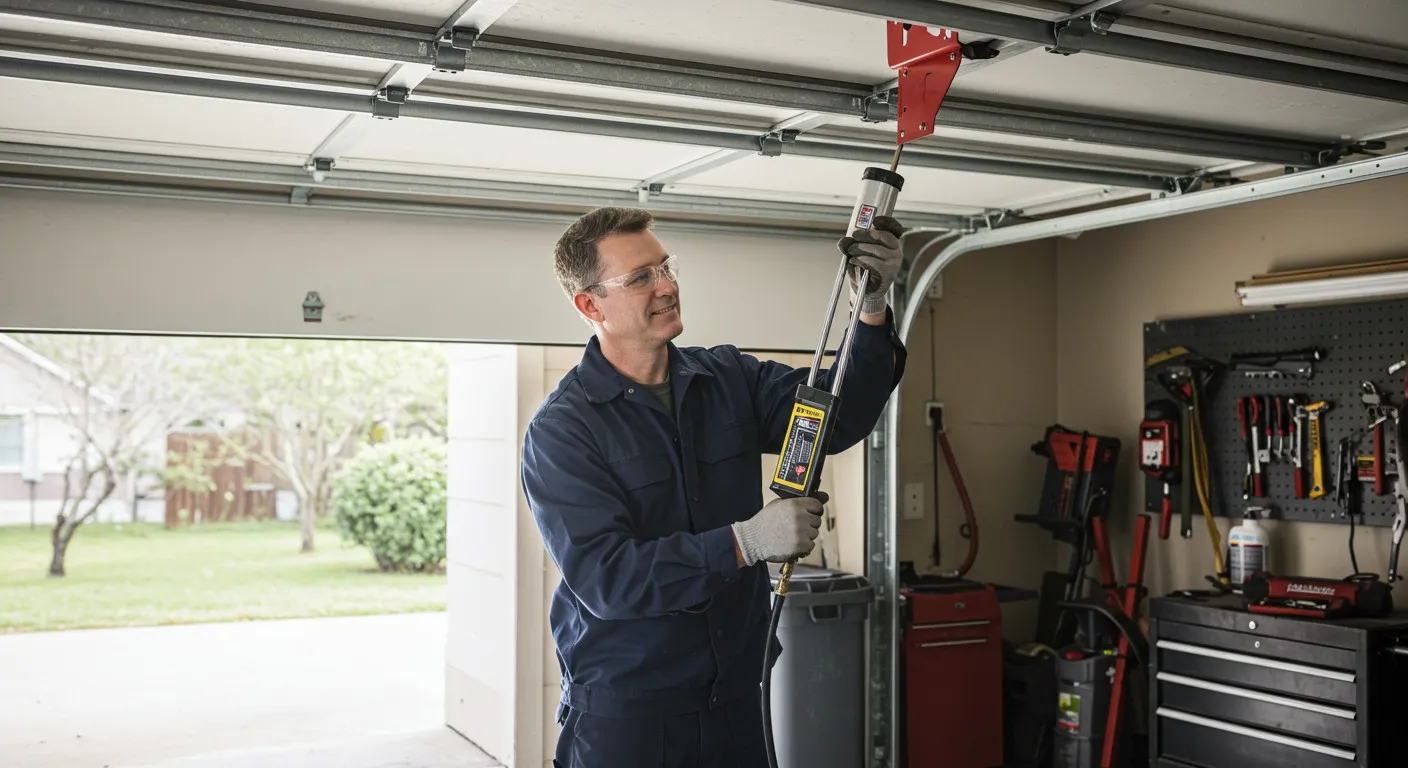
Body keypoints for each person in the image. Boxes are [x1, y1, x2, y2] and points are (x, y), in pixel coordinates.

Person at [521, 206, 908, 767]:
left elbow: (837, 417)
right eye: (640, 278)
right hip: (631, 714)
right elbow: (608, 579)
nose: (667, 286)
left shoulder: (729, 380)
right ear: (589, 305)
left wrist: (870, 309)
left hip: (735, 696)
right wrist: (744, 542)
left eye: (665, 267)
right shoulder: (563, 430)